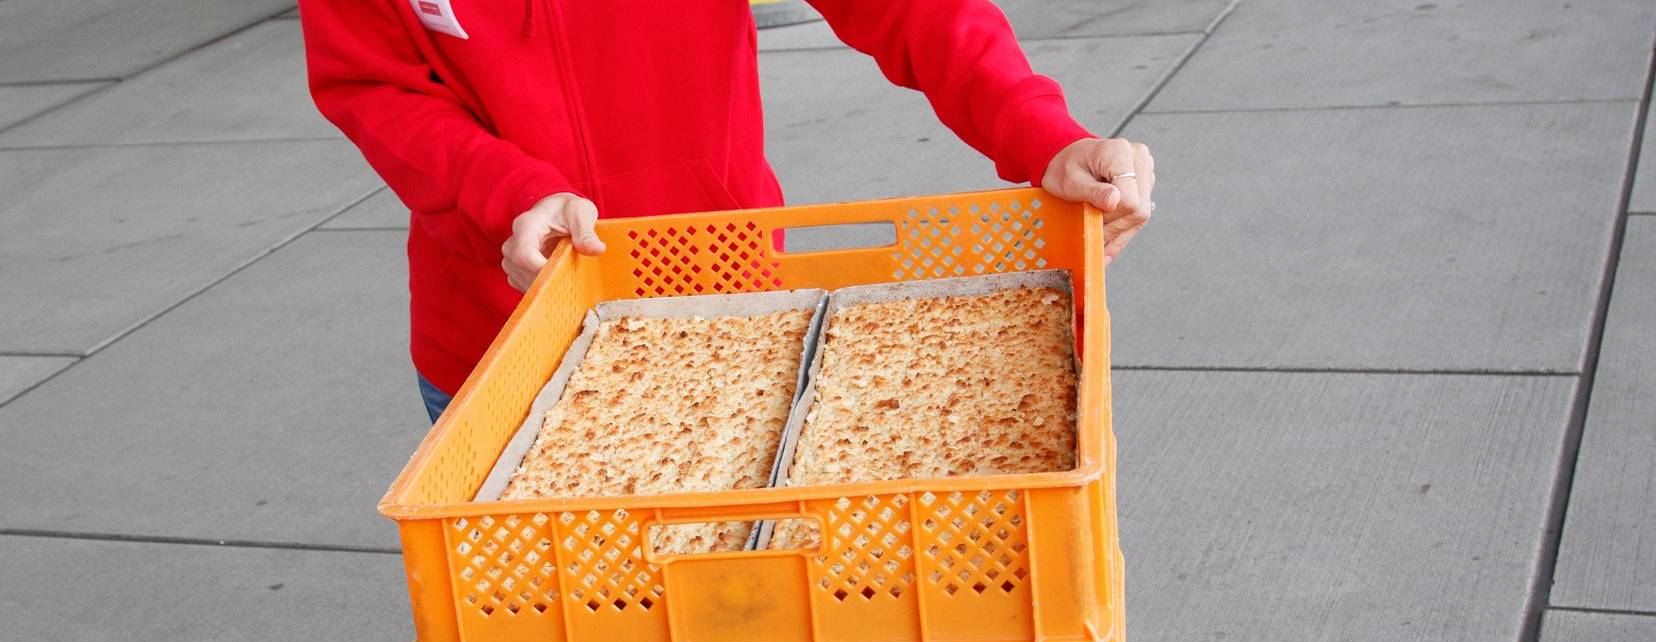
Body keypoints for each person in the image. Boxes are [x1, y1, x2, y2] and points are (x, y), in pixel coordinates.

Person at [298, 0, 1155, 423]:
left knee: (753, 640)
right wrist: (510, 191)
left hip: (728, 307)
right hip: (500, 334)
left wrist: (1040, 132)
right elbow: (372, 86)